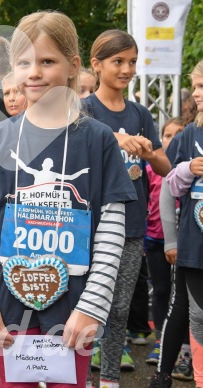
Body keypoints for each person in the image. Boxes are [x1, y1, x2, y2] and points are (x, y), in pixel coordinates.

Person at [0, 11, 137, 388]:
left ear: (73, 65)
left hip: (74, 311)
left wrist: (92, 307)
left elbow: (111, 233)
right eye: (24, 63)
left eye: (47, 61)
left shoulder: (99, 140)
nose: (34, 72)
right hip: (9, 307)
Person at [83, 29, 171, 388]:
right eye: (118, 61)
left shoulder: (139, 113)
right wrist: (114, 138)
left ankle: (108, 380)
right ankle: (74, 375)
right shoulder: (84, 109)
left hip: (132, 228)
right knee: (86, 305)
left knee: (119, 309)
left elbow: (164, 168)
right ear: (96, 64)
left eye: (132, 62)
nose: (126, 69)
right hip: (88, 226)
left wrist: (150, 153)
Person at [166, 59, 203, 388]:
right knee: (198, 315)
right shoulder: (189, 134)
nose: (197, 93)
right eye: (196, 86)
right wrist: (189, 168)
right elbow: (170, 186)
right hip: (195, 244)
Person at [143, 117, 184, 364]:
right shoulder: (151, 169)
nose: (172, 140)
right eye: (167, 135)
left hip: (182, 243)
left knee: (182, 299)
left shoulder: (187, 168)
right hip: (154, 239)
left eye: (178, 134)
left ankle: (184, 348)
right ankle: (160, 341)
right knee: (160, 291)